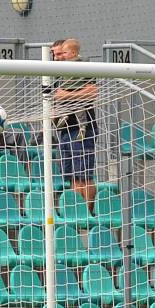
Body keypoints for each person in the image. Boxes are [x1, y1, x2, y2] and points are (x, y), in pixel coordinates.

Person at [51, 38, 99, 210]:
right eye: (55, 54)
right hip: (64, 130)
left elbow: (92, 92)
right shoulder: (56, 73)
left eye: (60, 54)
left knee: (83, 175)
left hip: (82, 129)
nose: (57, 58)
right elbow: (55, 96)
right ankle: (76, 214)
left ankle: (87, 214)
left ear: (70, 53)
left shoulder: (81, 67)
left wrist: (68, 95)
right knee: (72, 176)